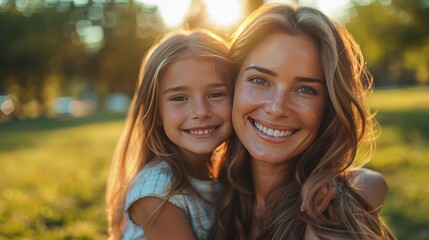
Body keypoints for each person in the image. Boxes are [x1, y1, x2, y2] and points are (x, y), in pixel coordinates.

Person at [210, 3, 395, 239]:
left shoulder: (328, 216)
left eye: (305, 89)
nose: (277, 108)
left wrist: (347, 196)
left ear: (329, 107)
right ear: (232, 84)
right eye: (259, 80)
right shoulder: (205, 193)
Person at [105, 29, 234, 240]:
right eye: (179, 98)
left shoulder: (221, 171)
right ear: (155, 113)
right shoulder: (157, 194)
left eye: (216, 94)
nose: (201, 111)